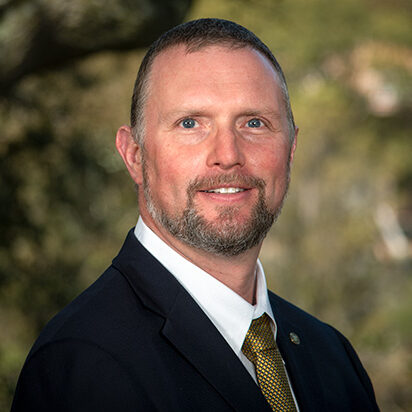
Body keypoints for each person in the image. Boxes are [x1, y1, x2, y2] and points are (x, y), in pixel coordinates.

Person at [12, 18, 379, 411]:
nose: (228, 154)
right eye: (190, 123)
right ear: (134, 155)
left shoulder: (333, 358)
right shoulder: (84, 364)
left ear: (290, 150)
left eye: (254, 123)